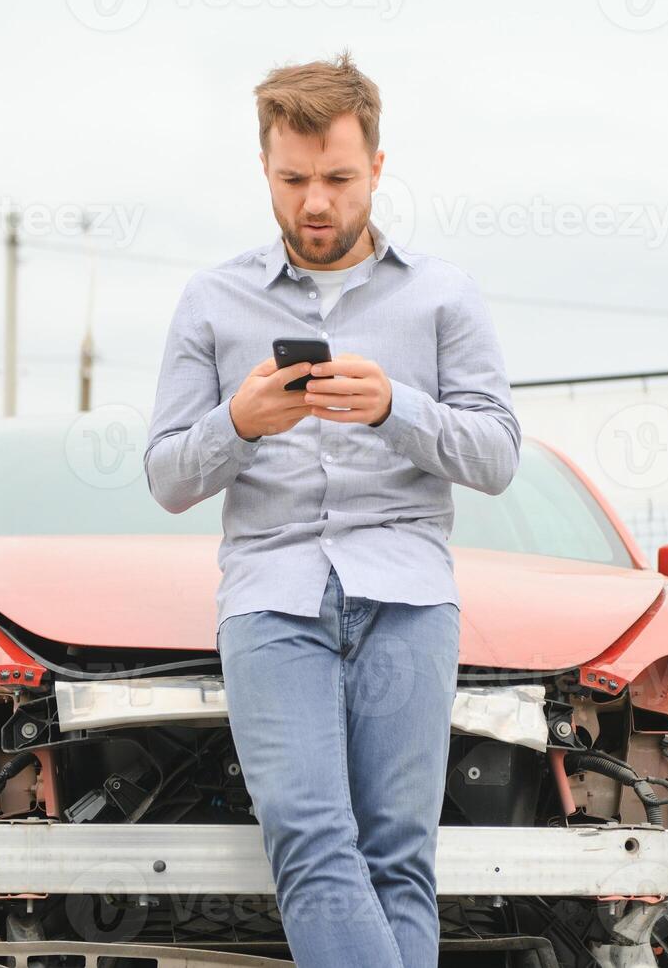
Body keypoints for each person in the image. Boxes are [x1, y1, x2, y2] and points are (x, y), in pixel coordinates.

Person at [143, 49, 522, 968]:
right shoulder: (211, 299)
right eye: (294, 179)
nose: (316, 203)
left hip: (407, 598)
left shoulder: (443, 295)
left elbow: (499, 455)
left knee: (399, 857)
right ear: (265, 169)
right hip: (272, 600)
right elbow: (166, 476)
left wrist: (396, 408)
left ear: (377, 170)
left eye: (339, 179)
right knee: (312, 842)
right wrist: (238, 422)